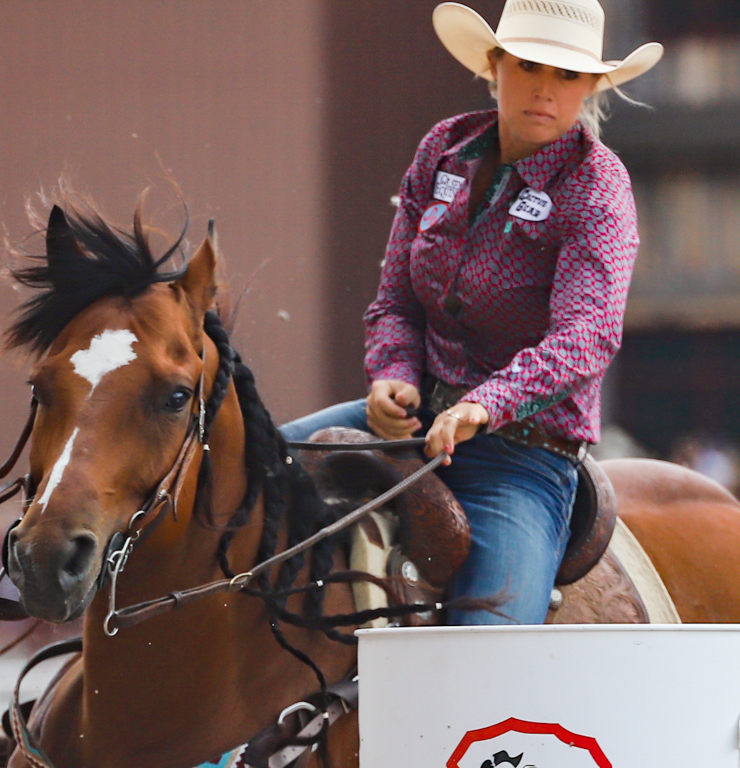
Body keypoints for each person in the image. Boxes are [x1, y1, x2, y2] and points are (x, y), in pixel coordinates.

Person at [278, 0, 661, 625]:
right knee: (241, 479)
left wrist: (485, 405)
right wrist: (392, 375)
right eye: (530, 66)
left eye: (568, 76)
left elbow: (589, 335)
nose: (545, 90)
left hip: (522, 457)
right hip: (411, 420)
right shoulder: (444, 149)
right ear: (495, 64)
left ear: (591, 86)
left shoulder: (597, 186)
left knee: (485, 654)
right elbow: (395, 299)